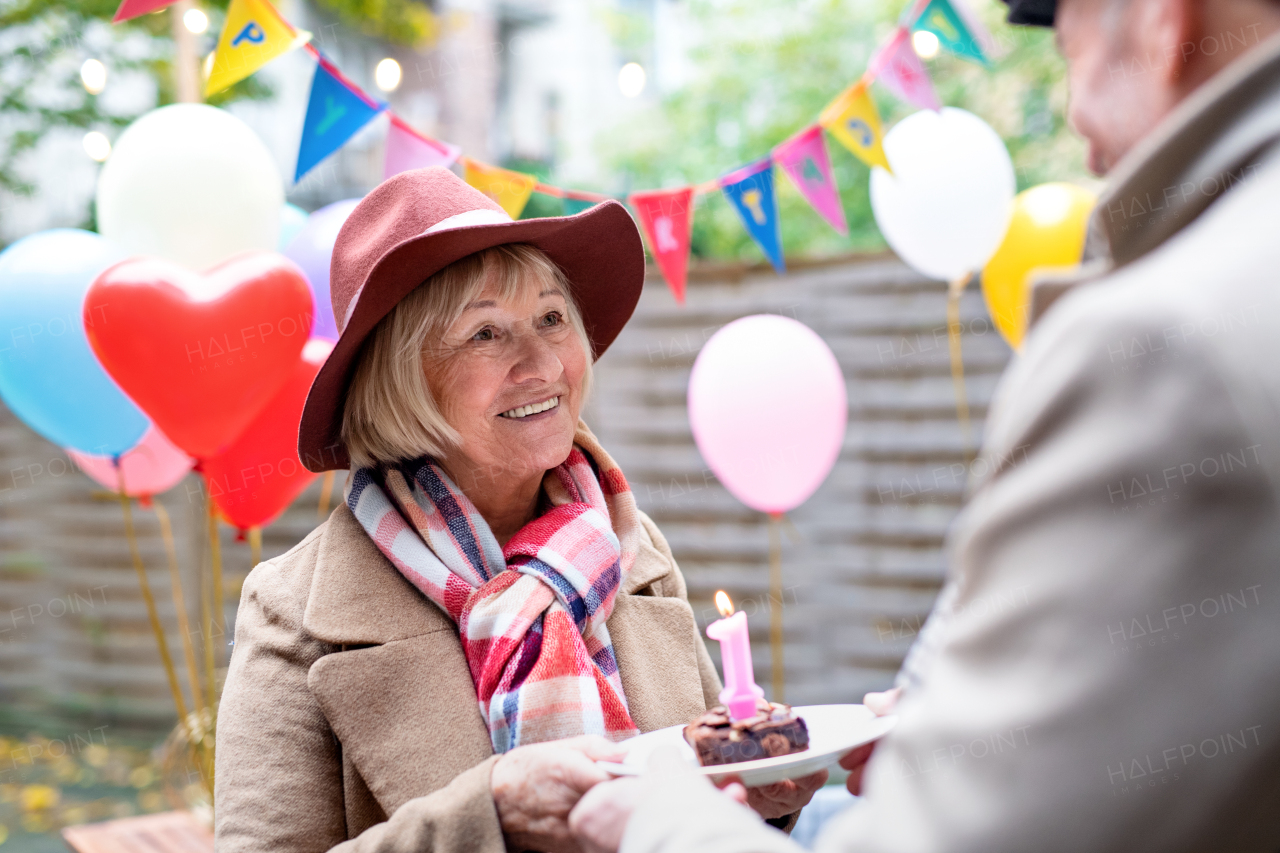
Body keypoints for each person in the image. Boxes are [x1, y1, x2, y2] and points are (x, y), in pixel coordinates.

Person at [568, 0, 1280, 848]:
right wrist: (991, 737)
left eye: (1065, 42)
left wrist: (662, 823)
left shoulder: (1160, 346)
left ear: (1163, 20)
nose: (1080, 128)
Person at [213, 168, 822, 853]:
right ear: (400, 376)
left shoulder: (628, 546)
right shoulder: (293, 608)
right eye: (486, 334)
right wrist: (490, 813)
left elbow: (693, 788)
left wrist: (761, 799)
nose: (544, 362)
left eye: (552, 318)